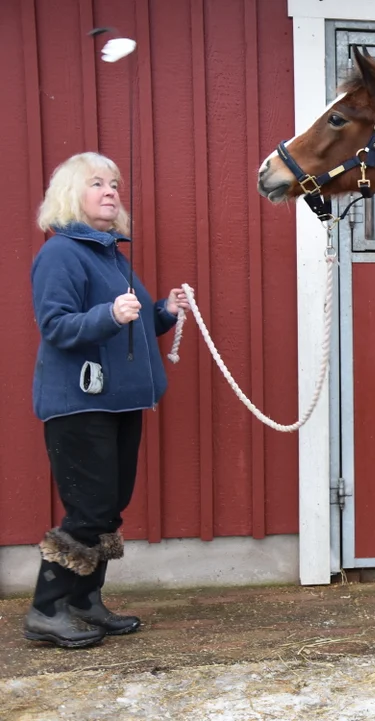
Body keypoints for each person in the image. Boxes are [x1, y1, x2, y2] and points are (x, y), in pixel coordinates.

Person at [23, 151, 191, 648]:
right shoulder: (60, 253)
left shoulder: (111, 255)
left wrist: (162, 311)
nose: (112, 191)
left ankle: (84, 601)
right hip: (79, 405)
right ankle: (46, 609)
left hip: (117, 403)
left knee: (108, 507)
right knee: (89, 509)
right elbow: (55, 325)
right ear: (72, 194)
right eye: (98, 183)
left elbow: (126, 322)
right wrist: (109, 315)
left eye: (115, 183)